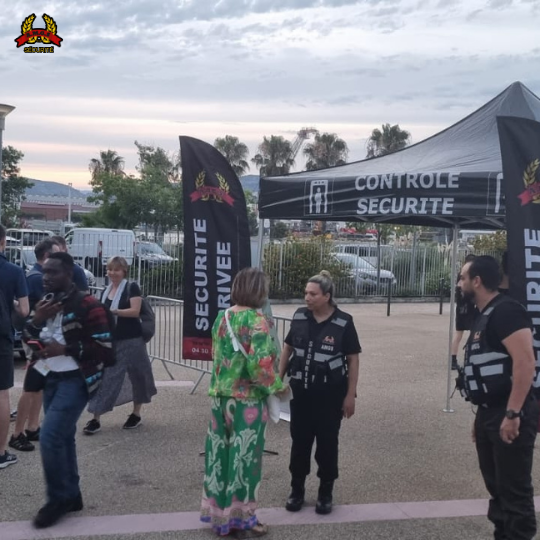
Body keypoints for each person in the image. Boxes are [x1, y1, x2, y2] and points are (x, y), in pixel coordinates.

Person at [23, 252, 115, 528]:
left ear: (69, 274)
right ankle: (72, 494)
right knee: (63, 437)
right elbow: (26, 336)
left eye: (53, 272)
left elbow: (106, 350)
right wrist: (37, 319)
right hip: (49, 378)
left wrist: (65, 349)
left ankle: (57, 499)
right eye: (44, 271)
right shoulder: (46, 302)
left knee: (50, 436)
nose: (46, 277)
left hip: (76, 380)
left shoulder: (89, 305)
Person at [458, 255, 539, 540]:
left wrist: (513, 413)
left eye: (463, 278)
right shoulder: (484, 314)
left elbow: (525, 363)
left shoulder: (506, 312)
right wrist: (481, 417)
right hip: (489, 413)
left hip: (510, 412)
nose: (459, 283)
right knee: (497, 488)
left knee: (514, 490)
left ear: (477, 281)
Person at [200, 267, 285, 538]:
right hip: (247, 402)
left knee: (219, 458)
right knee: (245, 460)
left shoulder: (221, 317)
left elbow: (218, 356)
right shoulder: (257, 320)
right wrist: (278, 387)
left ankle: (220, 518)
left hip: (220, 398)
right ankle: (245, 518)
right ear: (259, 291)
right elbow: (260, 366)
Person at [278, 270, 360, 515]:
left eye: (313, 294)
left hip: (330, 397)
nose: (307, 297)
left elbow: (353, 359)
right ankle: (297, 490)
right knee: (299, 443)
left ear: (327, 296)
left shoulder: (344, 322)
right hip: (301, 395)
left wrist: (350, 395)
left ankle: (325, 492)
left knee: (327, 445)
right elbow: (287, 349)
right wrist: (277, 380)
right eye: (306, 293)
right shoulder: (299, 316)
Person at [84, 256, 156, 434]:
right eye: (110, 269)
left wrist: (113, 311)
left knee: (138, 376)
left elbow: (135, 311)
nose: (112, 273)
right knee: (107, 377)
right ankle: (95, 418)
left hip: (132, 340)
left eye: (116, 269)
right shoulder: (106, 290)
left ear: (124, 271)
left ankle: (136, 414)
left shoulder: (132, 287)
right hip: (113, 341)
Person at [9, 239, 59, 453]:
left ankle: (32, 427)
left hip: (39, 338)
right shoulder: (39, 278)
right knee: (31, 387)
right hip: (36, 339)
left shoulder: (35, 275)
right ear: (47, 256)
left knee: (38, 385)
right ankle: (18, 433)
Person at [0, 224, 29, 469]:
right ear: (3, 242)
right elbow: (25, 310)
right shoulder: (13, 271)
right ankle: (0, 453)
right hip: (2, 337)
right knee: (1, 394)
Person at [451, 253, 478, 370]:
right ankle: (471, 357)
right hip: (470, 307)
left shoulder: (460, 276)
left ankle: (453, 360)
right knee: (474, 333)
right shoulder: (471, 276)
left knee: (459, 334)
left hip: (461, 307)